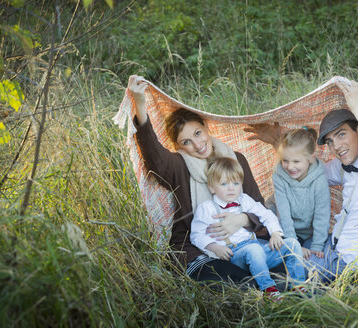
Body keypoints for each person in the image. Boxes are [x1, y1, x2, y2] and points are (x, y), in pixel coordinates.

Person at [245, 79, 358, 283]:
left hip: (346, 262)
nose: (337, 146)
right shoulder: (343, 166)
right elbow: (307, 169)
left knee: (272, 269)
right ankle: (250, 235)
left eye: (341, 135)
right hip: (331, 245)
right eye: (330, 141)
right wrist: (278, 141)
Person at [127, 75, 270, 285]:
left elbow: (258, 205)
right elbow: (155, 157)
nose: (197, 144)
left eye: (198, 133)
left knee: (277, 263)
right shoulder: (179, 165)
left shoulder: (235, 159)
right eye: (186, 141)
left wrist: (242, 219)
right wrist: (140, 106)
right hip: (195, 249)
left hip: (241, 239)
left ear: (206, 128)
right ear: (179, 147)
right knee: (241, 281)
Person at [190, 157, 306, 299]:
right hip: (236, 254)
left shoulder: (244, 200)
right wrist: (215, 247)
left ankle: (299, 285)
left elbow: (266, 214)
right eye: (224, 184)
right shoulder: (207, 208)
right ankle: (269, 290)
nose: (231, 188)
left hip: (258, 248)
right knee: (254, 249)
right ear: (212, 187)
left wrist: (275, 233)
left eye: (236, 183)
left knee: (292, 244)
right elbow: (196, 235)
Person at [273, 128, 330, 261]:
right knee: (286, 257)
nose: (290, 167)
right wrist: (294, 244)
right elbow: (283, 214)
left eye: (296, 161)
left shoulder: (319, 179)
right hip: (285, 229)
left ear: (310, 158)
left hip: (310, 233)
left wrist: (317, 245)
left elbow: (322, 215)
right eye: (285, 160)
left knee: (314, 259)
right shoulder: (279, 176)